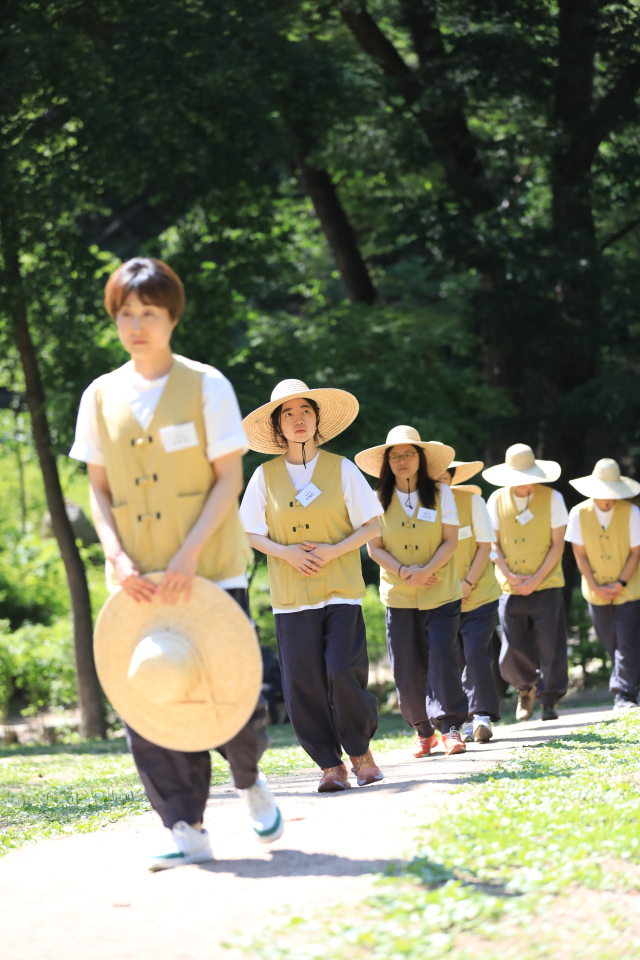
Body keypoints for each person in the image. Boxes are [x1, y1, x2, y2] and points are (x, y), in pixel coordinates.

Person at [70, 257, 282, 870]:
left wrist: (190, 553)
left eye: (150, 314)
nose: (137, 326)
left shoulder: (207, 384)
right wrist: (114, 553)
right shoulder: (100, 394)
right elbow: (99, 489)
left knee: (230, 692)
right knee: (152, 691)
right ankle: (184, 826)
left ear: (172, 318)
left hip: (209, 568)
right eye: (126, 315)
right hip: (137, 576)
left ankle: (249, 778)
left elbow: (227, 479)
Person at [239, 379, 384, 793]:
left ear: (317, 420)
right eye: (288, 413)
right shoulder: (263, 476)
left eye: (305, 412)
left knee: (342, 669)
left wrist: (335, 549)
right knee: (302, 681)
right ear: (278, 426)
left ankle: (361, 754)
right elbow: (250, 532)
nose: (298, 420)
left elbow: (372, 524)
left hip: (340, 589)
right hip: (291, 597)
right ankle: (329, 766)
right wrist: (286, 553)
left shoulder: (342, 468)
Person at [356, 426, 468, 758]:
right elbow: (373, 548)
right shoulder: (376, 499)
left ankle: (450, 728)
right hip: (399, 595)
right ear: (387, 462)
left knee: (443, 659)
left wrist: (427, 571)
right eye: (395, 455)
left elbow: (450, 540)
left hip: (441, 591)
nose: (402, 461)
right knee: (406, 665)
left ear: (419, 459)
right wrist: (406, 573)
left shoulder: (441, 493)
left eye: (408, 454)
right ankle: (423, 731)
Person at [484, 444, 568, 722]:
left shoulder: (553, 498)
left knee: (550, 645)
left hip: (547, 584)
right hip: (510, 586)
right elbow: (491, 543)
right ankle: (524, 688)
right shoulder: (496, 499)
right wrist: (508, 574)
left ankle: (549, 702)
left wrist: (536, 579)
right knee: (513, 646)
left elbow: (557, 546)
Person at [566, 459, 640, 711]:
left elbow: (635, 552)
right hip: (594, 589)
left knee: (626, 640)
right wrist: (595, 586)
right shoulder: (578, 513)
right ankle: (629, 685)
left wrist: (621, 582)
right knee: (610, 641)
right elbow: (580, 555)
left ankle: (624, 695)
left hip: (629, 587)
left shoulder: (632, 512)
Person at [437, 457, 502, 742]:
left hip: (479, 594)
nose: (438, 482)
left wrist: (467, 584)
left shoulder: (472, 502)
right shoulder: (417, 509)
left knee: (476, 651)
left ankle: (482, 716)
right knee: (453, 657)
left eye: (444, 477)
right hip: (440, 599)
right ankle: (461, 718)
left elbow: (484, 546)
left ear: (452, 478)